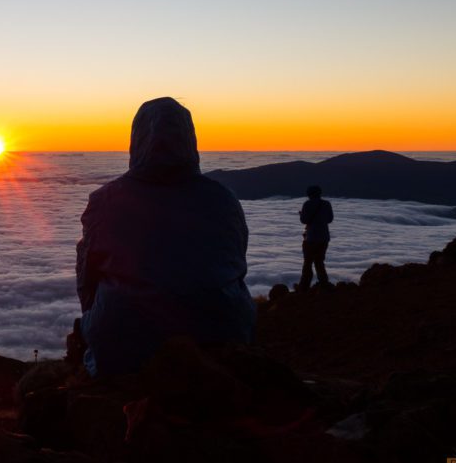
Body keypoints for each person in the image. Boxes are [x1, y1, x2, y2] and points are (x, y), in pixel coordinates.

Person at [75, 97, 255, 378]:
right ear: (190, 139)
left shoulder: (105, 201)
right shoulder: (223, 199)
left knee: (85, 254)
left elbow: (88, 274)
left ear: (136, 140)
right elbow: (237, 262)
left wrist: (92, 316)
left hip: (125, 347)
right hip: (221, 334)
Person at [298, 185, 333, 291]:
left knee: (308, 262)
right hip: (324, 238)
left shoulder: (307, 204)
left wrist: (301, 215)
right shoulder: (326, 204)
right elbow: (330, 219)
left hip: (310, 238)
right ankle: (324, 284)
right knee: (319, 262)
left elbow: (304, 220)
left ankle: (304, 287)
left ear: (309, 194)